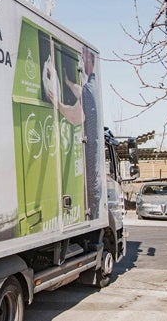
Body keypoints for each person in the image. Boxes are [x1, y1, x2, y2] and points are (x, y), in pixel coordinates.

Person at [47, 46, 103, 220]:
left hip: (90, 174)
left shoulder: (90, 89)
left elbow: (76, 117)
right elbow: (81, 93)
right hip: (92, 171)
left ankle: (92, 217)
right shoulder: (91, 85)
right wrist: (68, 83)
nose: (82, 58)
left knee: (92, 207)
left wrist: (57, 104)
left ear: (88, 62)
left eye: (84, 57)